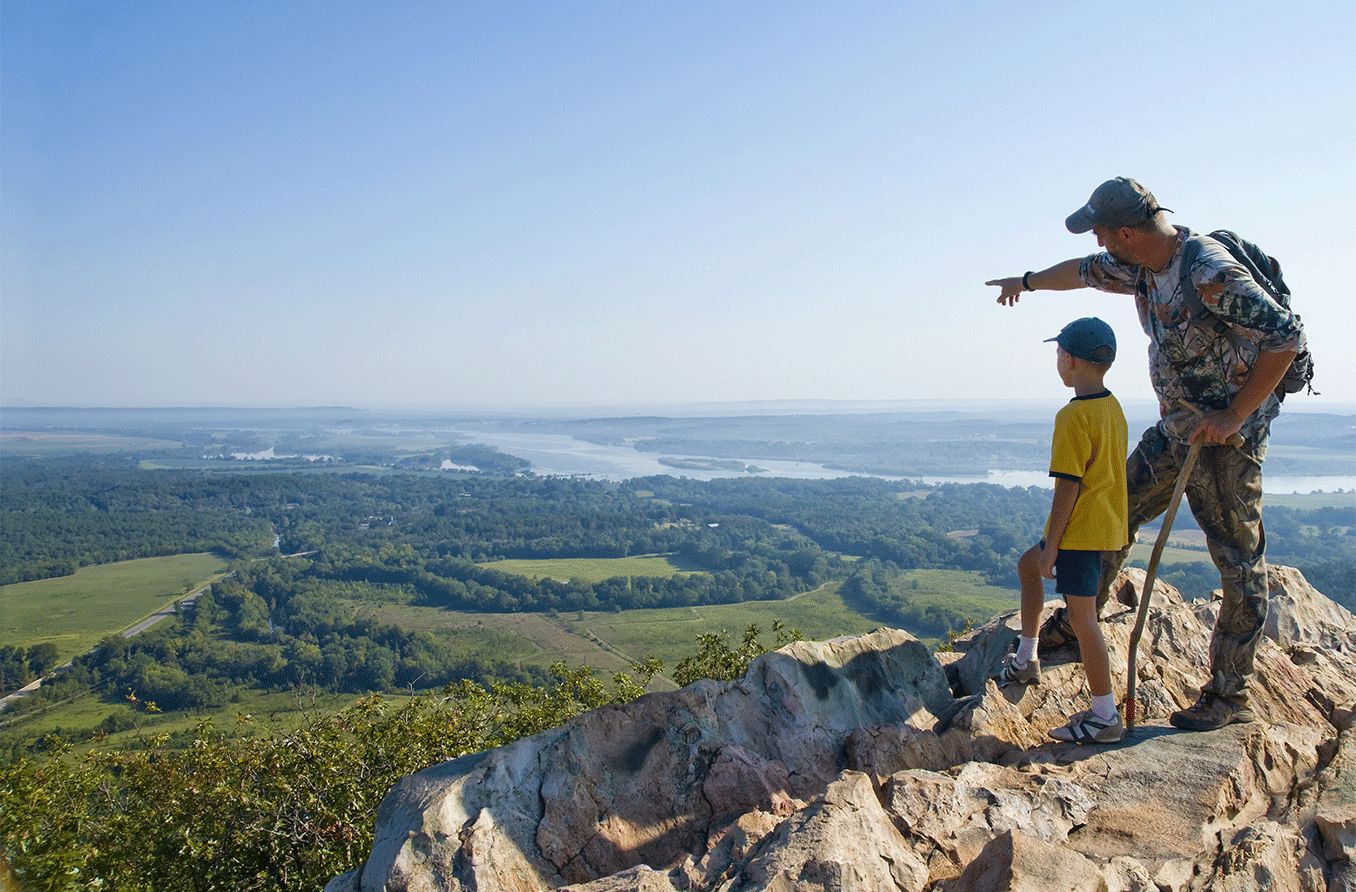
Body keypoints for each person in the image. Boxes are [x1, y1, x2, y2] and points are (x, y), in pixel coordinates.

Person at [986, 177, 1306, 731]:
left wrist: (1232, 416)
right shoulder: (1140, 264)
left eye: (1104, 235)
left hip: (1228, 444)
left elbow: (1285, 337)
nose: (1100, 247)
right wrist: (1027, 282)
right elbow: (1082, 273)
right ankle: (1080, 616)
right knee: (1115, 514)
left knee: (1237, 560)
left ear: (1128, 232)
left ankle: (1230, 696)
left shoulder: (1207, 271)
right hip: (1177, 431)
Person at [994, 317, 1129, 744]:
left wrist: (1053, 546)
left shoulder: (1073, 417)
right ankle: (1027, 657)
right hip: (1102, 524)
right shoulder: (1111, 407)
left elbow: (1067, 487)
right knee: (1026, 567)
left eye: (1058, 353)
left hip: (1078, 532)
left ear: (1069, 360)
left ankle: (1104, 715)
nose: (1057, 360)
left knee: (1083, 619)